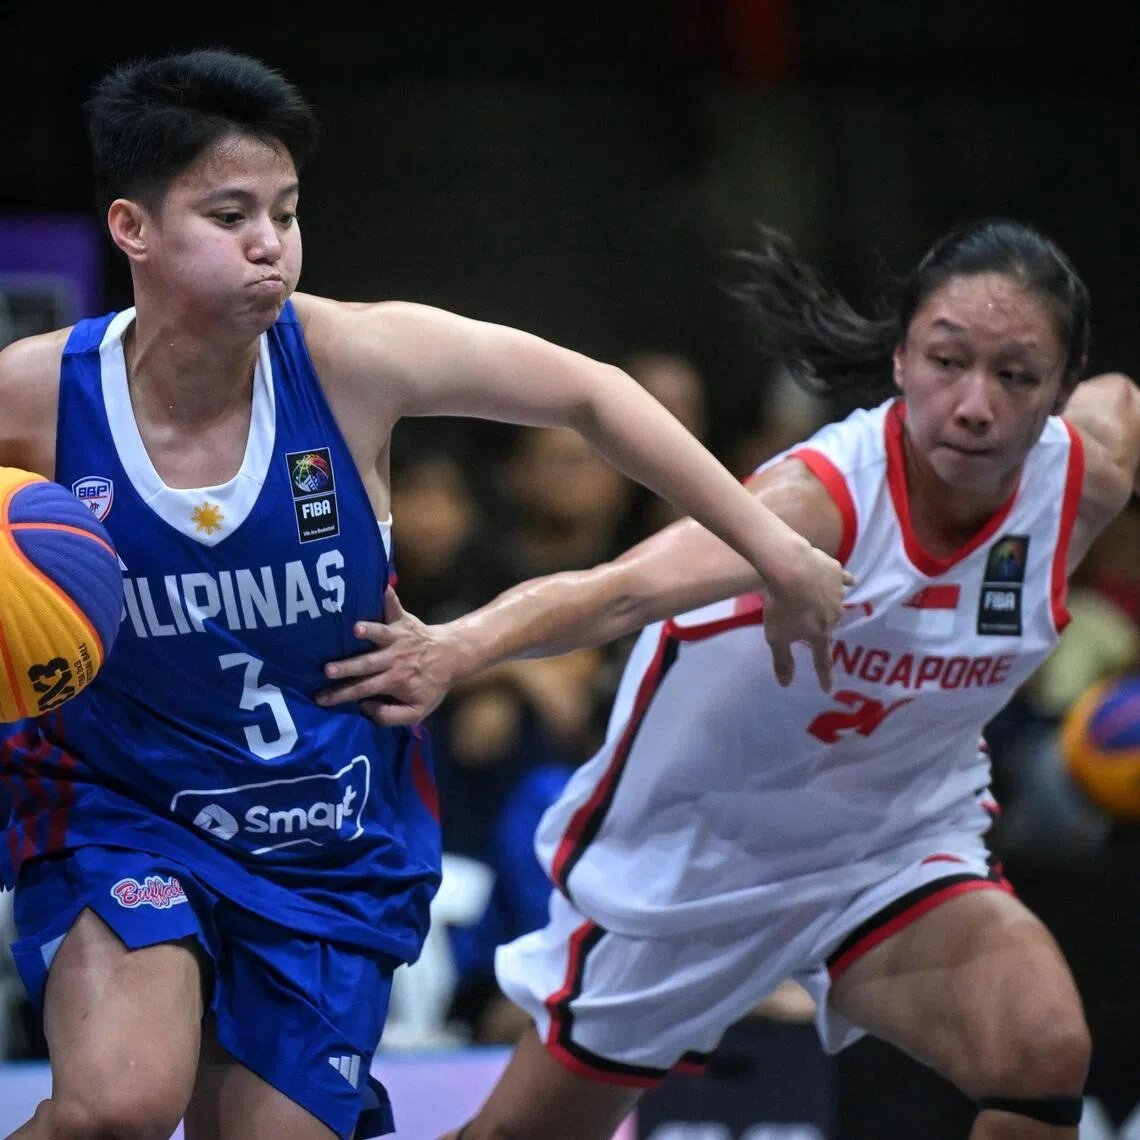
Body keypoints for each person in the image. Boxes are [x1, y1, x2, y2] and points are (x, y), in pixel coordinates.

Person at [0, 50, 849, 1140]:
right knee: (117, 1105)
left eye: (286, 210)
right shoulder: (39, 394)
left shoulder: (351, 355)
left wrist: (773, 548)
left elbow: (594, 394)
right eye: (229, 213)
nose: (271, 242)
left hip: (325, 832)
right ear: (133, 230)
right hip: (122, 806)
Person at [319, 218, 1140, 1139]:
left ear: (1059, 388)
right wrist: (454, 648)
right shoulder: (818, 503)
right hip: (699, 863)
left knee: (1040, 1051)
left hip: (891, 846)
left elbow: (1122, 397)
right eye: (948, 361)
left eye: (1017, 375)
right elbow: (618, 591)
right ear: (903, 359)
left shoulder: (1084, 479)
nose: (976, 404)